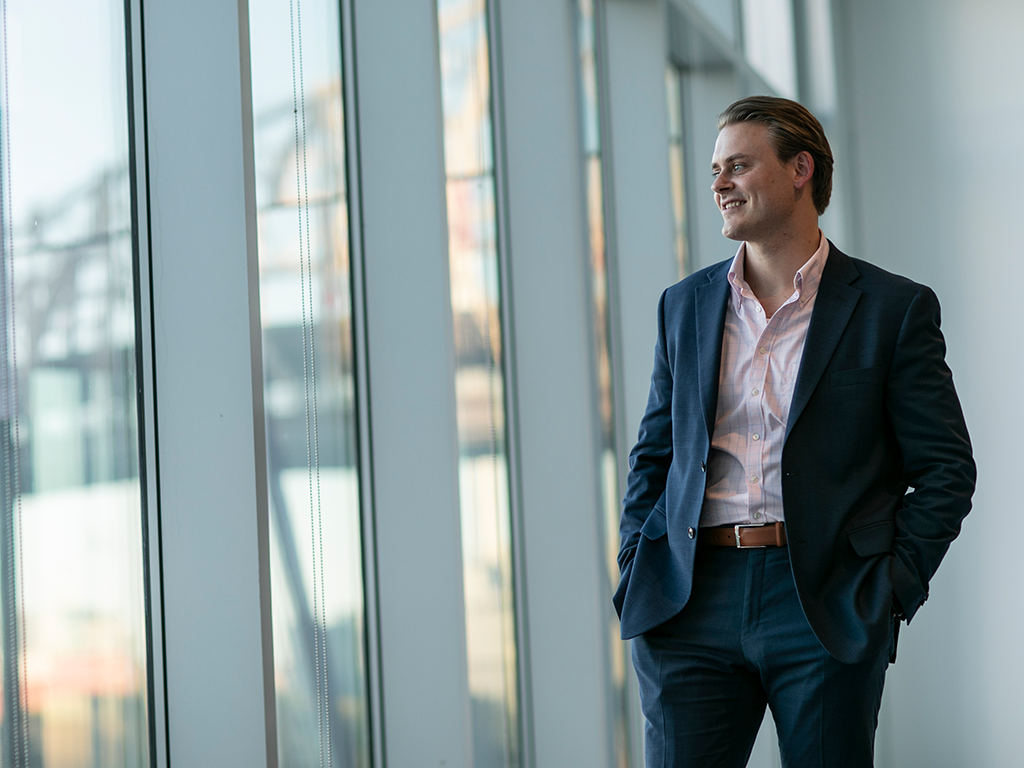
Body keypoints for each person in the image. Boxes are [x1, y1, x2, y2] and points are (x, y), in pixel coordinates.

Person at [613, 96, 975, 767]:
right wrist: (637, 561)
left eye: (740, 166)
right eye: (716, 169)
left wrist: (889, 588)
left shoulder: (893, 309)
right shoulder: (683, 305)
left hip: (823, 599)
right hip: (689, 597)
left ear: (801, 169)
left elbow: (947, 468)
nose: (719, 183)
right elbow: (655, 452)